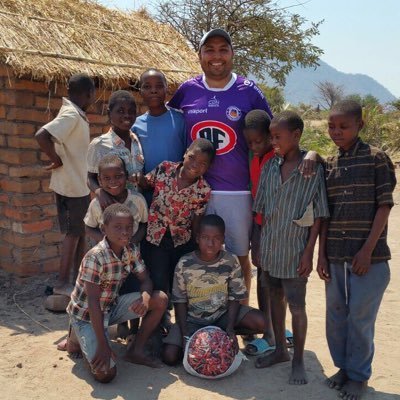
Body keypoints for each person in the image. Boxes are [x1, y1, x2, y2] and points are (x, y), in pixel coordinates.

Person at [168, 28, 273, 303]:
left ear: (232, 54)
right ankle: (198, 315)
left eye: (223, 49)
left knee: (239, 256)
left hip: (236, 191)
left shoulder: (248, 91)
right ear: (200, 55)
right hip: (193, 190)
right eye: (209, 50)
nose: (216, 56)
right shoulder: (187, 90)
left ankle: (242, 314)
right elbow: (170, 127)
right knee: (194, 253)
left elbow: (273, 134)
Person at [317, 100, 396, 400]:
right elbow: (325, 213)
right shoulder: (330, 164)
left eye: (344, 126)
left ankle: (360, 376)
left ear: (360, 125)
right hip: (336, 254)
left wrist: (366, 250)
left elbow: (384, 206)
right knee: (336, 315)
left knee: (360, 319)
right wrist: (321, 255)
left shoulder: (377, 159)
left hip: (370, 258)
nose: (336, 132)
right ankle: (344, 368)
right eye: (331, 126)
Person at [253, 111, 330, 385]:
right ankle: (279, 351)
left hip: (296, 250)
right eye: (271, 137)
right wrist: (257, 244)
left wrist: (310, 251)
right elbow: (259, 210)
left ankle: (298, 360)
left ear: (296, 136)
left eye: (277, 137)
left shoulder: (312, 170)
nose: (273, 142)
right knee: (274, 298)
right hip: (271, 248)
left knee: (297, 305)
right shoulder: (270, 167)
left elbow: (319, 215)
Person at [65, 203, 168, 383]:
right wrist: (104, 345)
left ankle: (136, 350)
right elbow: (93, 303)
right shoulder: (94, 257)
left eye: (129, 227)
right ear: (104, 229)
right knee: (106, 374)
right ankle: (75, 337)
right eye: (118, 227)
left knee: (159, 299)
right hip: (87, 314)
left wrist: (144, 299)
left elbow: (145, 279)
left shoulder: (131, 250)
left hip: (110, 308)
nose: (125, 232)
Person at [162, 214, 267, 365]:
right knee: (169, 357)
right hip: (192, 321)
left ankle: (223, 335)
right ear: (197, 238)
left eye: (216, 238)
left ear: (223, 240)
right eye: (205, 237)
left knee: (262, 322)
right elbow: (179, 301)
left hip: (222, 316)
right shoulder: (185, 263)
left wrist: (230, 328)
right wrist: (185, 335)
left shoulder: (230, 260)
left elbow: (235, 297)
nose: (210, 243)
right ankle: (189, 341)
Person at [35, 73, 95, 297]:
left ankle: (77, 280)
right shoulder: (71, 114)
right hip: (71, 187)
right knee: (73, 234)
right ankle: (61, 284)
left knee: (78, 233)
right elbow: (42, 135)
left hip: (77, 186)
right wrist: (56, 160)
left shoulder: (76, 115)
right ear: (89, 94)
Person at [135, 139, 215, 298]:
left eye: (202, 163)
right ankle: (159, 318)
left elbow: (197, 219)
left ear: (208, 167)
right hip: (155, 237)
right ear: (185, 153)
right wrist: (138, 178)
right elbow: (147, 184)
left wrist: (195, 248)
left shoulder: (203, 189)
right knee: (158, 280)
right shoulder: (165, 168)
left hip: (180, 241)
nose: (195, 164)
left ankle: (178, 319)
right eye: (192, 157)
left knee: (178, 283)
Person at [243, 110, 275, 354]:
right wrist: (255, 232)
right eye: (250, 142)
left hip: (278, 230)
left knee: (274, 282)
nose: (254, 146)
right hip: (260, 225)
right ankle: (270, 328)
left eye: (259, 141)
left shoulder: (277, 158)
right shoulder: (255, 159)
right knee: (264, 279)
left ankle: (273, 332)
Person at [132, 68, 187, 205]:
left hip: (176, 194)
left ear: (166, 89)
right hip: (147, 195)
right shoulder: (135, 125)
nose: (153, 90)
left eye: (159, 86)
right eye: (147, 87)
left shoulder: (180, 120)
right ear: (140, 91)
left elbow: (187, 156)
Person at [87, 90, 144, 209]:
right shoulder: (99, 145)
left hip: (138, 207)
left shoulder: (137, 141)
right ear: (109, 113)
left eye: (131, 112)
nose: (126, 115)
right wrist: (99, 192)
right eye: (120, 111)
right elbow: (90, 177)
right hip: (112, 209)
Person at [84, 153, 148, 246]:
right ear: (99, 180)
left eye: (118, 176)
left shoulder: (138, 200)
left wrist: (131, 243)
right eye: (107, 178)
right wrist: (110, 243)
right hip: (106, 256)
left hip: (132, 254)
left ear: (126, 175)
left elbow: (144, 224)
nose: (113, 181)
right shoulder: (96, 204)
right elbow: (88, 228)